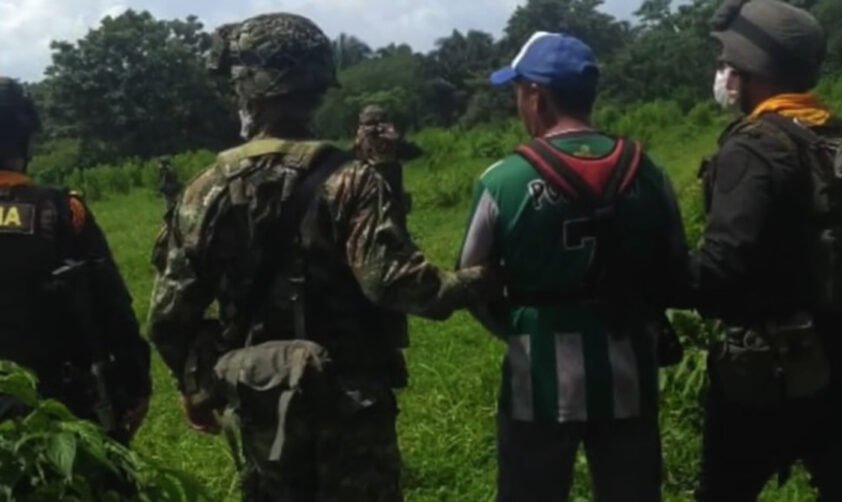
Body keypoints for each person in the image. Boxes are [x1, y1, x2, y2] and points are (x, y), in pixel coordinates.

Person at [148, 13, 498, 502]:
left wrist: (198, 384)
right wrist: (477, 279)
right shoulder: (352, 179)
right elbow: (393, 282)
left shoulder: (203, 191)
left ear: (246, 89)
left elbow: (168, 318)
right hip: (351, 405)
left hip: (262, 406)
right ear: (316, 88)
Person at [691, 1, 842, 501]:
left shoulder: (752, 147)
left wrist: (662, 275)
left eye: (728, 63)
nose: (723, 74)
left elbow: (722, 269)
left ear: (754, 70)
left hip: (764, 375)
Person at [458, 32, 690, 502]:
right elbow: (676, 266)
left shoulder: (502, 180)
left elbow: (470, 282)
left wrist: (515, 329)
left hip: (538, 376)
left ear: (536, 95)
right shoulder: (649, 170)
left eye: (517, 91)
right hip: (630, 368)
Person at [0, 76, 151, 442]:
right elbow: (113, 308)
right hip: (61, 411)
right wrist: (136, 383)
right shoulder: (65, 211)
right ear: (26, 138)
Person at [354, 104, 423, 225]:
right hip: (367, 207)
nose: (375, 129)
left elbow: (416, 152)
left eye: (379, 123)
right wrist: (359, 144)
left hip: (393, 206)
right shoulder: (359, 148)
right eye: (369, 124)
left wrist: (395, 139)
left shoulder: (392, 145)